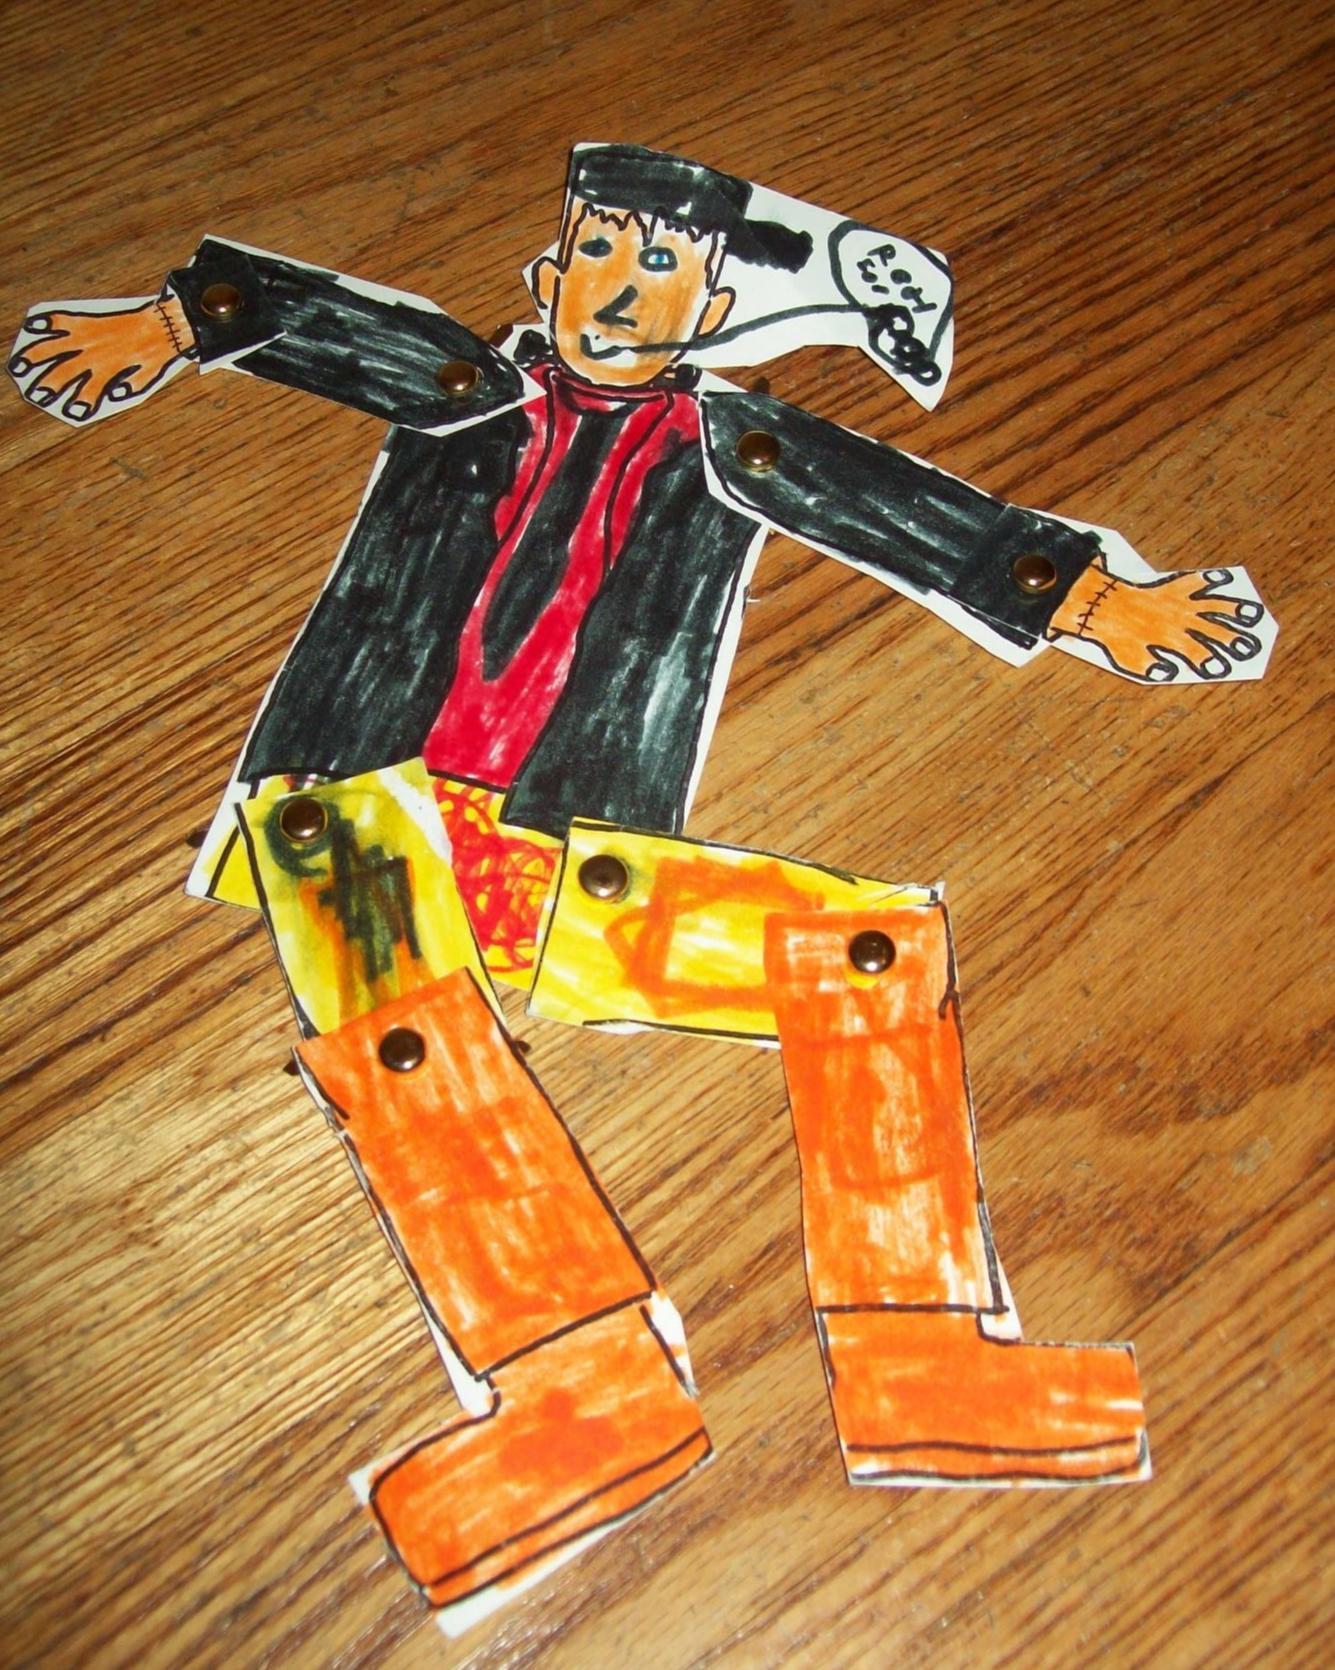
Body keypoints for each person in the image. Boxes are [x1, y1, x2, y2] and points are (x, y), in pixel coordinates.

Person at [7, 143, 1275, 1629]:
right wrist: (168, 325)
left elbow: (899, 510)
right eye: (598, 254)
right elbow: (317, 320)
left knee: (860, 949)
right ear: (549, 277)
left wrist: (1096, 599)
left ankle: (925, 1357)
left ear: (713, 308)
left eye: (660, 265)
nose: (618, 290)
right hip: (352, 827)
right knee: (419, 1052)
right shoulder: (459, 382)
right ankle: (579, 1404)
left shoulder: (737, 444)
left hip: (564, 854)